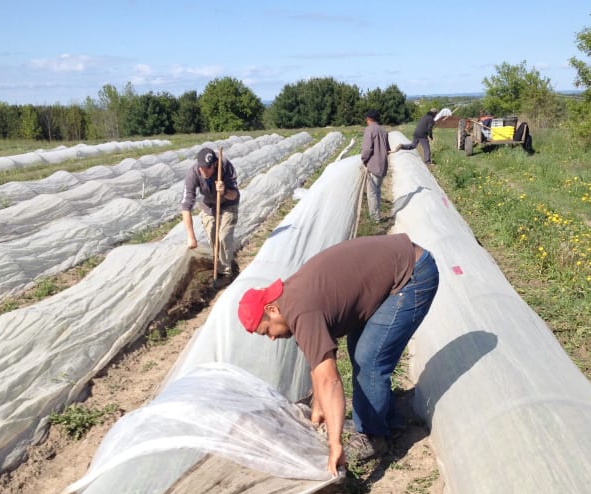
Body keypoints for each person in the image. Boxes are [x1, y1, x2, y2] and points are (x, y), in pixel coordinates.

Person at [237, 234, 439, 476]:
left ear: (271, 309)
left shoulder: (302, 311)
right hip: (398, 264)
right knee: (360, 351)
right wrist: (318, 409)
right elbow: (317, 363)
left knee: (369, 360)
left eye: (266, 330)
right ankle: (384, 418)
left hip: (412, 274)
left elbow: (329, 379)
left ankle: (374, 437)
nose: (271, 337)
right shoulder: (289, 302)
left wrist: (335, 444)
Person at [181, 147, 240, 276]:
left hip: (228, 204)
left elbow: (234, 194)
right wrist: (191, 237)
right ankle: (217, 268)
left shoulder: (225, 167)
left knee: (223, 237)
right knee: (214, 239)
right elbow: (186, 206)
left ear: (215, 164)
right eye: (202, 167)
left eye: (208, 168)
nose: (204, 171)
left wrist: (224, 191)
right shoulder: (193, 173)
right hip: (208, 207)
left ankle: (226, 272)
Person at [360, 109, 390, 222]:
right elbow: (387, 149)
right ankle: (377, 214)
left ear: (368, 118)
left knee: (372, 193)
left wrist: (363, 160)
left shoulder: (369, 130)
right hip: (383, 165)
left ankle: (375, 218)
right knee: (377, 190)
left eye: (366, 119)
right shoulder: (383, 130)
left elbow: (367, 149)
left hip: (373, 165)